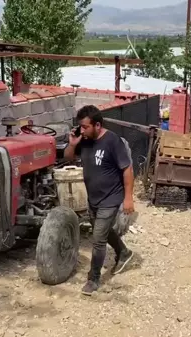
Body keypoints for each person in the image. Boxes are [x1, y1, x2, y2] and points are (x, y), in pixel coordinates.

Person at [64, 105, 135, 296]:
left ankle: (93, 279)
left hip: (111, 197)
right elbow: (68, 158)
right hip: (93, 198)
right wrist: (72, 143)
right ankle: (124, 252)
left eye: (85, 127)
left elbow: (127, 169)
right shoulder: (84, 141)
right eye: (80, 126)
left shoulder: (113, 141)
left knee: (97, 239)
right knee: (102, 232)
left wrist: (128, 198)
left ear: (97, 124)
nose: (82, 130)